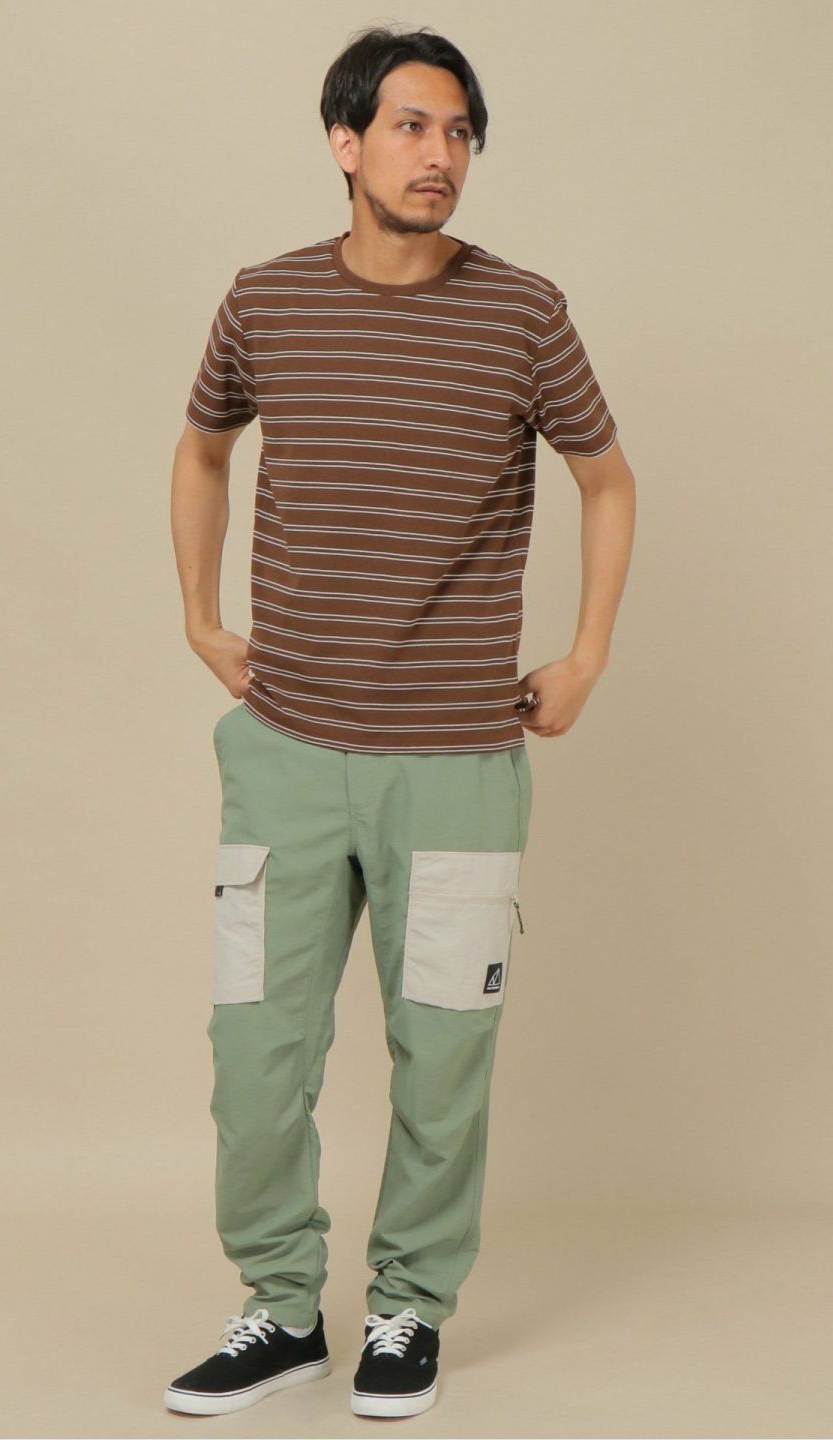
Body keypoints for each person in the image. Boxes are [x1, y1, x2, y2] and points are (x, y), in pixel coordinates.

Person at [164, 22, 636, 1420]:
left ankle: (409, 1310)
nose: (442, 156)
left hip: (457, 764)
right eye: (414, 127)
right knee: (256, 1060)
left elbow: (608, 478)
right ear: (346, 141)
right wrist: (200, 616)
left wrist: (588, 655)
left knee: (444, 1062)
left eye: (460, 133)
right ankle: (280, 1308)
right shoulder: (266, 300)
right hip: (288, 751)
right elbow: (203, 446)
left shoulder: (523, 313)